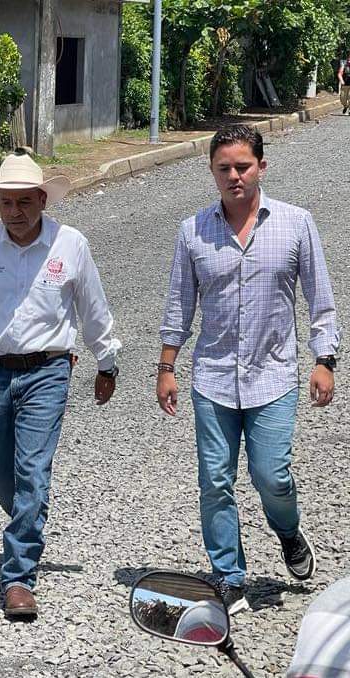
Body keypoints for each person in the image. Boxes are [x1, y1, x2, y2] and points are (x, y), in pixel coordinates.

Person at [158, 124, 339, 615]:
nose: (234, 176)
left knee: (271, 476)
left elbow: (320, 300)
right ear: (212, 171)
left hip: (273, 376)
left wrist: (324, 360)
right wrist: (167, 366)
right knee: (215, 481)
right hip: (213, 378)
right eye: (224, 168)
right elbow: (179, 304)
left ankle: (288, 531)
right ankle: (229, 576)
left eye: (243, 166)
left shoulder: (296, 223)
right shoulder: (193, 230)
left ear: (261, 166)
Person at [0, 149, 121, 618]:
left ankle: (18, 577)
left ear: (42, 199)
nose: (15, 212)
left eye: (24, 202)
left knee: (33, 472)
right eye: (6, 202)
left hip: (48, 371)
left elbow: (93, 308)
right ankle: (30, 514)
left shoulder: (70, 245)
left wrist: (107, 363)